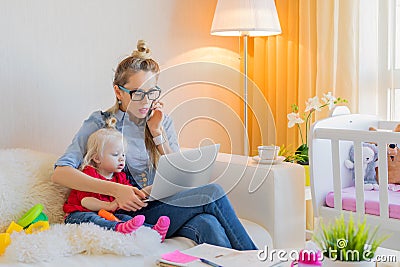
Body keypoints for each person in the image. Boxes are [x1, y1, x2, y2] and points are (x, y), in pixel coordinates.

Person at [52, 40, 257, 250]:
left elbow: (179, 174)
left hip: (156, 207)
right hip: (124, 212)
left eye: (151, 93)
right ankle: (258, 260)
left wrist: (157, 133)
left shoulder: (161, 121)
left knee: (207, 223)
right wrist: (116, 189)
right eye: (138, 94)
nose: (145, 102)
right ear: (118, 91)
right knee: (211, 193)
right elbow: (61, 173)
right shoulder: (99, 122)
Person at [63, 117, 170, 241]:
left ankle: (152, 232)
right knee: (94, 219)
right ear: (97, 158)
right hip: (79, 214)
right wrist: (109, 205)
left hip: (109, 214)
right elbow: (85, 201)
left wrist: (149, 191)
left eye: (123, 155)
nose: (122, 159)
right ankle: (117, 228)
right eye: (115, 155)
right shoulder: (89, 173)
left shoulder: (120, 177)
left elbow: (130, 195)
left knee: (126, 218)